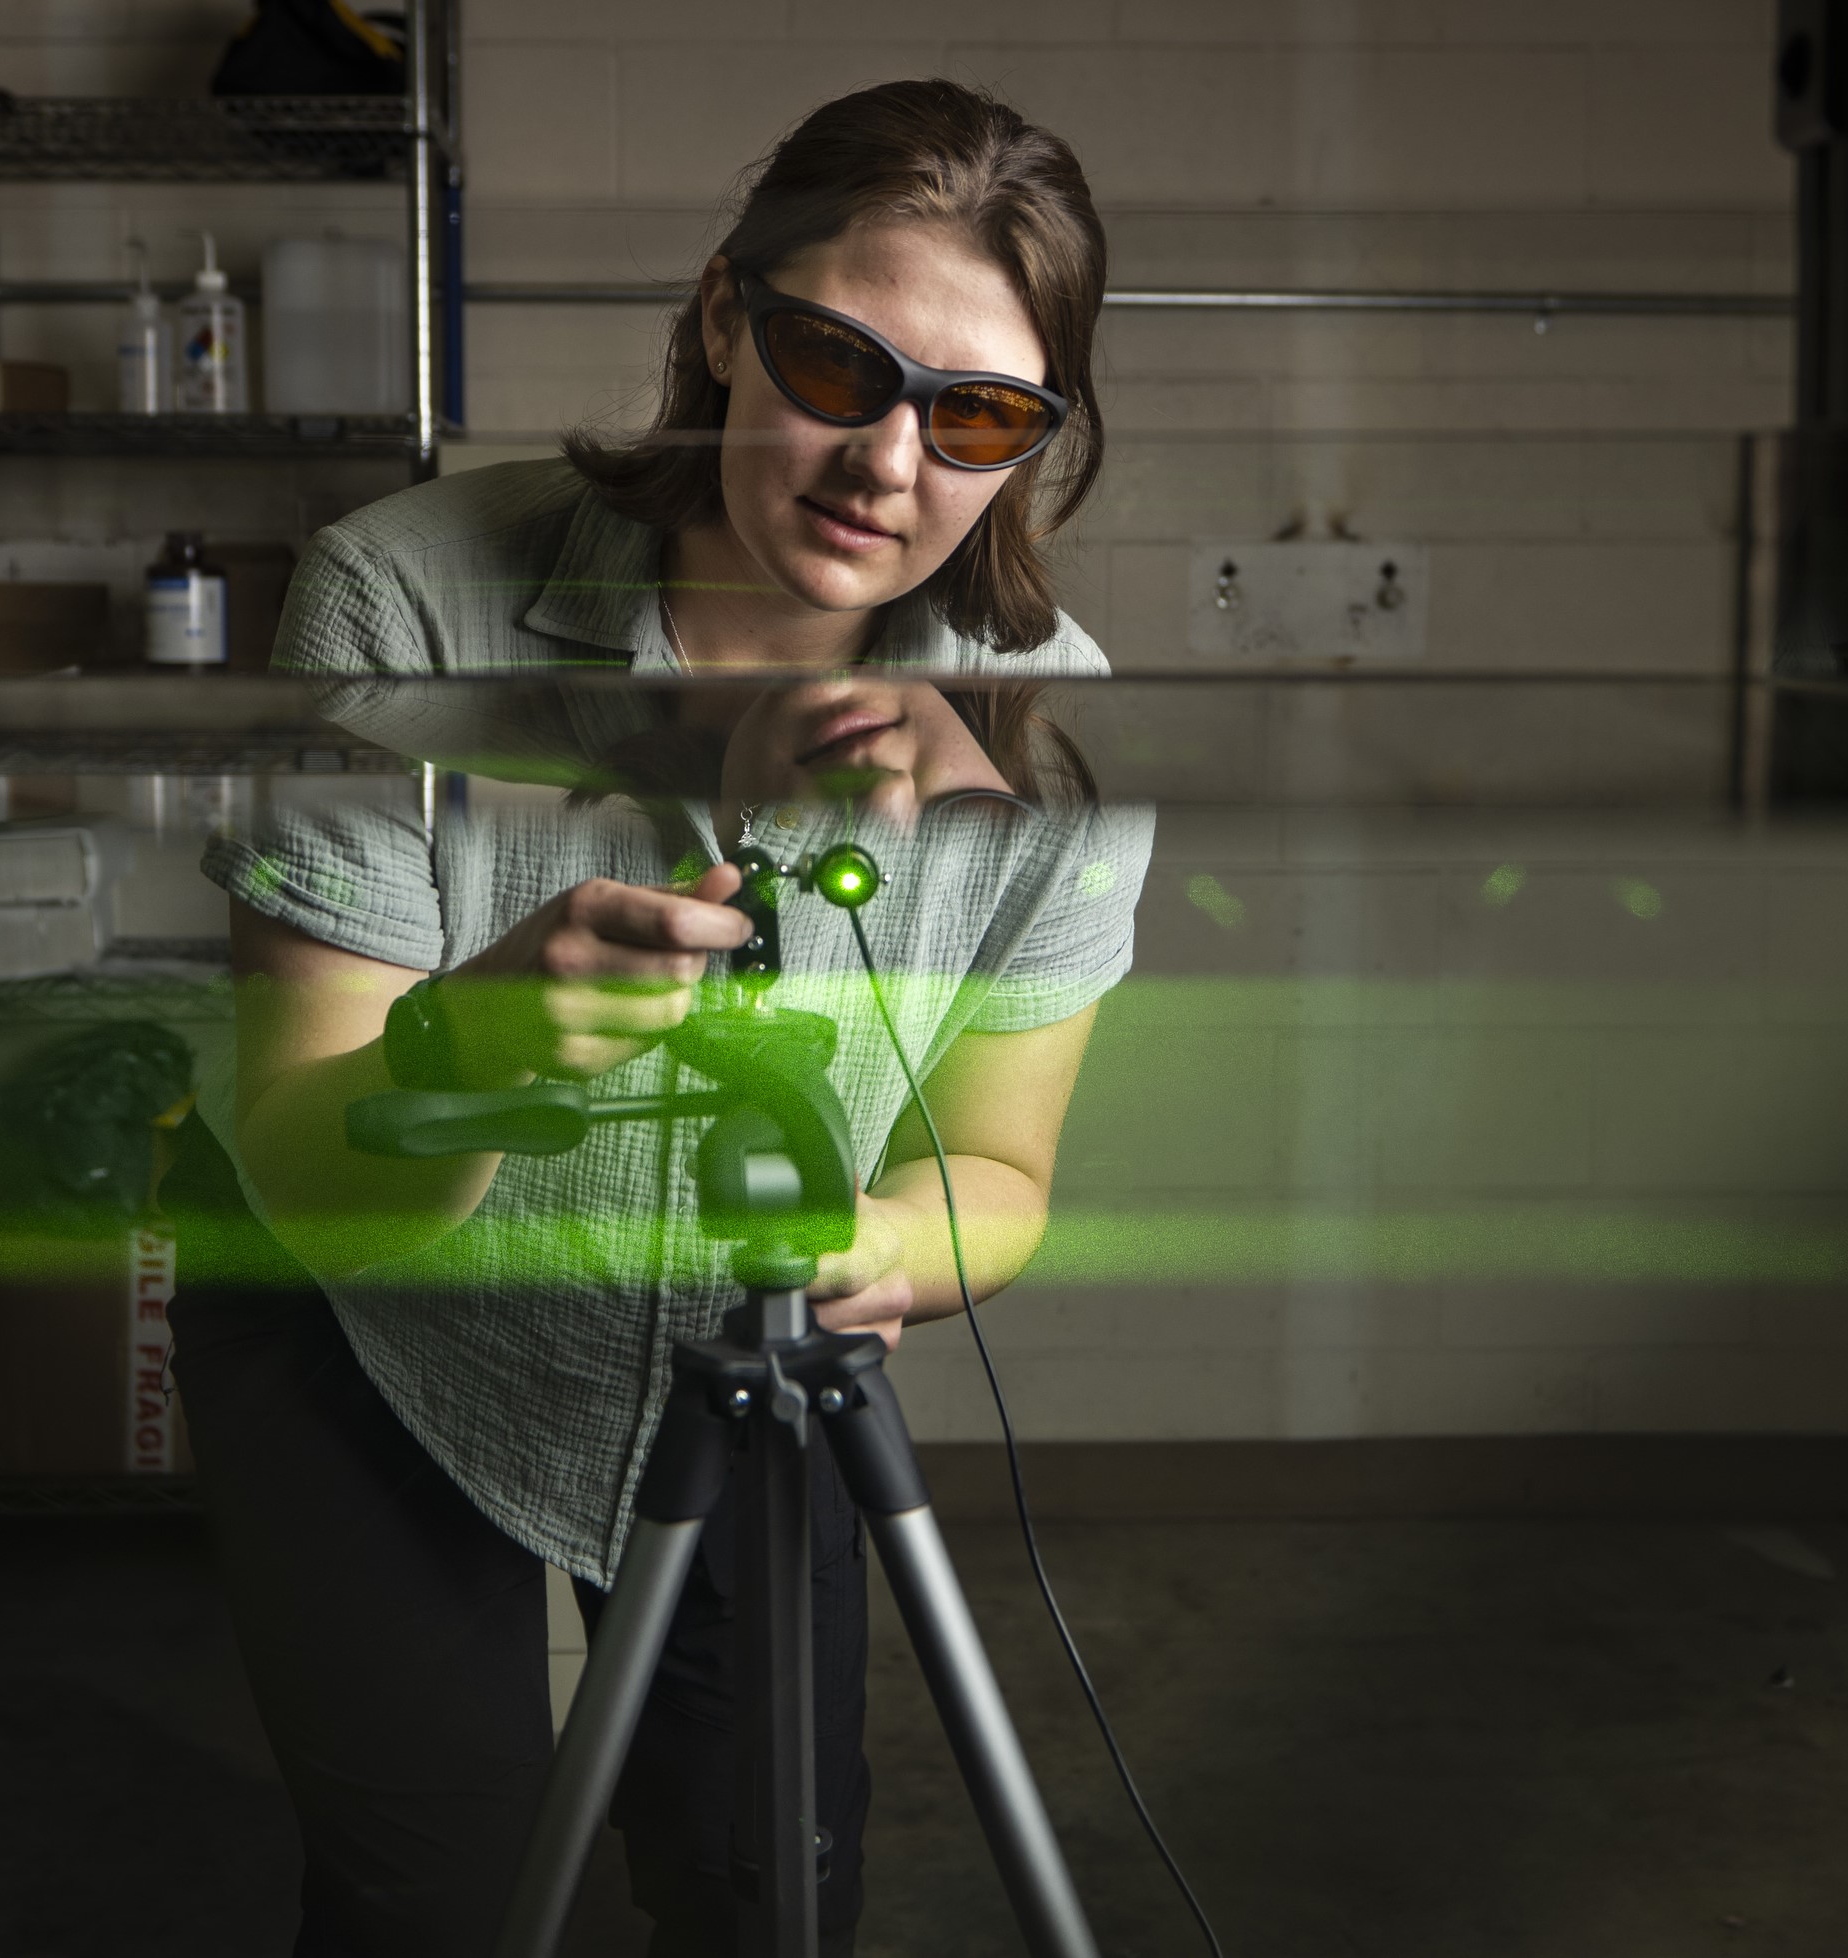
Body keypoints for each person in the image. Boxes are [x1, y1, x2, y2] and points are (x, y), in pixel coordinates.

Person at [168, 79, 1145, 1955]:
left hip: (735, 1340)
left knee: (762, 1877)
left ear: (1036, 441)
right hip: (361, 1319)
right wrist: (476, 1052)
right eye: (837, 367)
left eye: (982, 416)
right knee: (430, 1900)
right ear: (723, 321)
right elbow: (308, 1167)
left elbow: (1004, 1175)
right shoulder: (404, 593)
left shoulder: (1040, 718)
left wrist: (865, 1243)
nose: (892, 466)